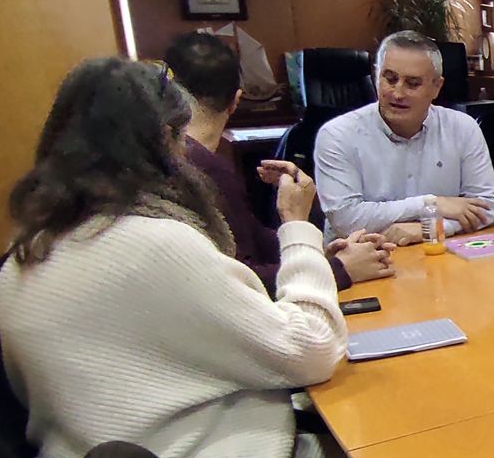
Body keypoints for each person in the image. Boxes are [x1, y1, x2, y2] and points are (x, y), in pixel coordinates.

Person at [0, 58, 348, 458]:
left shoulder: (33, 244)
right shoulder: (152, 242)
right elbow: (314, 349)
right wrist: (298, 226)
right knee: (390, 453)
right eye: (181, 138)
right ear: (162, 141)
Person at [162, 33, 392, 292]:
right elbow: (238, 281)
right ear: (236, 100)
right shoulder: (200, 170)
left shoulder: (180, 158)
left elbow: (255, 240)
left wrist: (317, 252)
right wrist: (337, 268)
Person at [311, 30, 494, 243]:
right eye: (390, 79)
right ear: (376, 76)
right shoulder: (337, 135)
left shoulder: (463, 128)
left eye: (412, 84)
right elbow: (345, 219)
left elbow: (488, 205)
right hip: (361, 263)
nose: (398, 93)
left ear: (436, 87)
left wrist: (433, 228)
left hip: (439, 257)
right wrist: (430, 204)